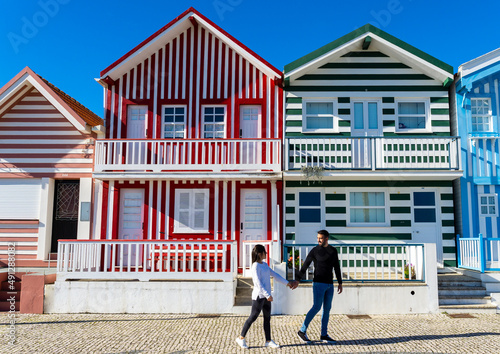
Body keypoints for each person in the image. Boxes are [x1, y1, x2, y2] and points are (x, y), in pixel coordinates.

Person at [236, 244, 296, 349]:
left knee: (267, 318)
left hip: (267, 297)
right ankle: (241, 338)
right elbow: (258, 283)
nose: (266, 254)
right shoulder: (255, 266)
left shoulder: (265, 264)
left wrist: (287, 283)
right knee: (253, 317)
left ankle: (268, 341)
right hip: (259, 297)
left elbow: (275, 275)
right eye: (265, 252)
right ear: (260, 254)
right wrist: (267, 295)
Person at [294, 230, 343, 344]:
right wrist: (297, 280)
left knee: (327, 310)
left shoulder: (333, 251)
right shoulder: (315, 250)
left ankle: (324, 335)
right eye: (317, 238)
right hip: (318, 283)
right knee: (316, 307)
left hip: (329, 285)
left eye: (320, 238)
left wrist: (340, 282)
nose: (318, 240)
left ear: (326, 238)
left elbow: (336, 267)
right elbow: (305, 265)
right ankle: (302, 330)